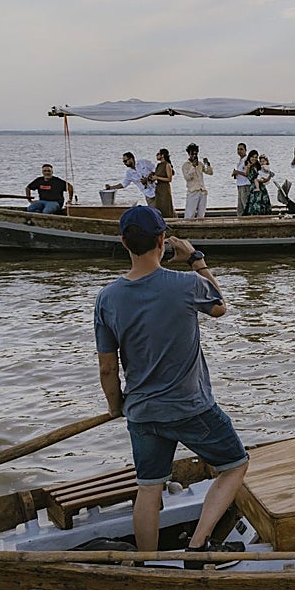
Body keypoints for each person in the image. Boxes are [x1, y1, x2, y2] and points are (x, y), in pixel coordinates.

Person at [94, 206, 248, 562]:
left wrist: (118, 407)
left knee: (148, 487)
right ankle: (197, 547)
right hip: (191, 407)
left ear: (123, 243)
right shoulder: (186, 285)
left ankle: (147, 563)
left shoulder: (107, 298)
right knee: (235, 464)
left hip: (142, 411)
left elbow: (107, 369)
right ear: (163, 241)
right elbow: (221, 305)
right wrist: (196, 258)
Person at [180, 143, 213, 219]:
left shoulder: (200, 164)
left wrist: (207, 164)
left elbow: (210, 172)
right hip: (193, 191)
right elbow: (187, 177)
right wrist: (193, 167)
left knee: (201, 214)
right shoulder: (186, 165)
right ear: (189, 154)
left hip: (202, 191)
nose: (194, 155)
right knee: (190, 213)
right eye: (192, 154)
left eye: (196, 153)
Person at [147, 148, 175, 220]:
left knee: (165, 206)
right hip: (158, 188)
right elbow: (156, 176)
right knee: (158, 207)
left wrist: (157, 177)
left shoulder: (167, 165)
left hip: (165, 189)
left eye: (158, 154)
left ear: (162, 155)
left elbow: (169, 179)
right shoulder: (159, 165)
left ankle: (168, 220)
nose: (156, 156)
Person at [242, 151, 272, 216]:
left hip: (262, 188)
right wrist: (248, 167)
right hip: (254, 188)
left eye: (256, 157)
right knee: (254, 206)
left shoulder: (260, 165)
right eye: (252, 157)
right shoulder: (247, 165)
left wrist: (267, 178)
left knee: (263, 205)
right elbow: (247, 175)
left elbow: (266, 174)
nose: (254, 159)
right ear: (249, 157)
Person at [231, 142, 251, 214]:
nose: (239, 151)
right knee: (240, 207)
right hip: (240, 185)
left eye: (241, 149)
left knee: (245, 205)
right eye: (238, 149)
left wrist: (237, 172)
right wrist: (235, 174)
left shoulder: (247, 160)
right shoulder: (240, 161)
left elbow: (247, 174)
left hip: (245, 185)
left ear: (245, 150)